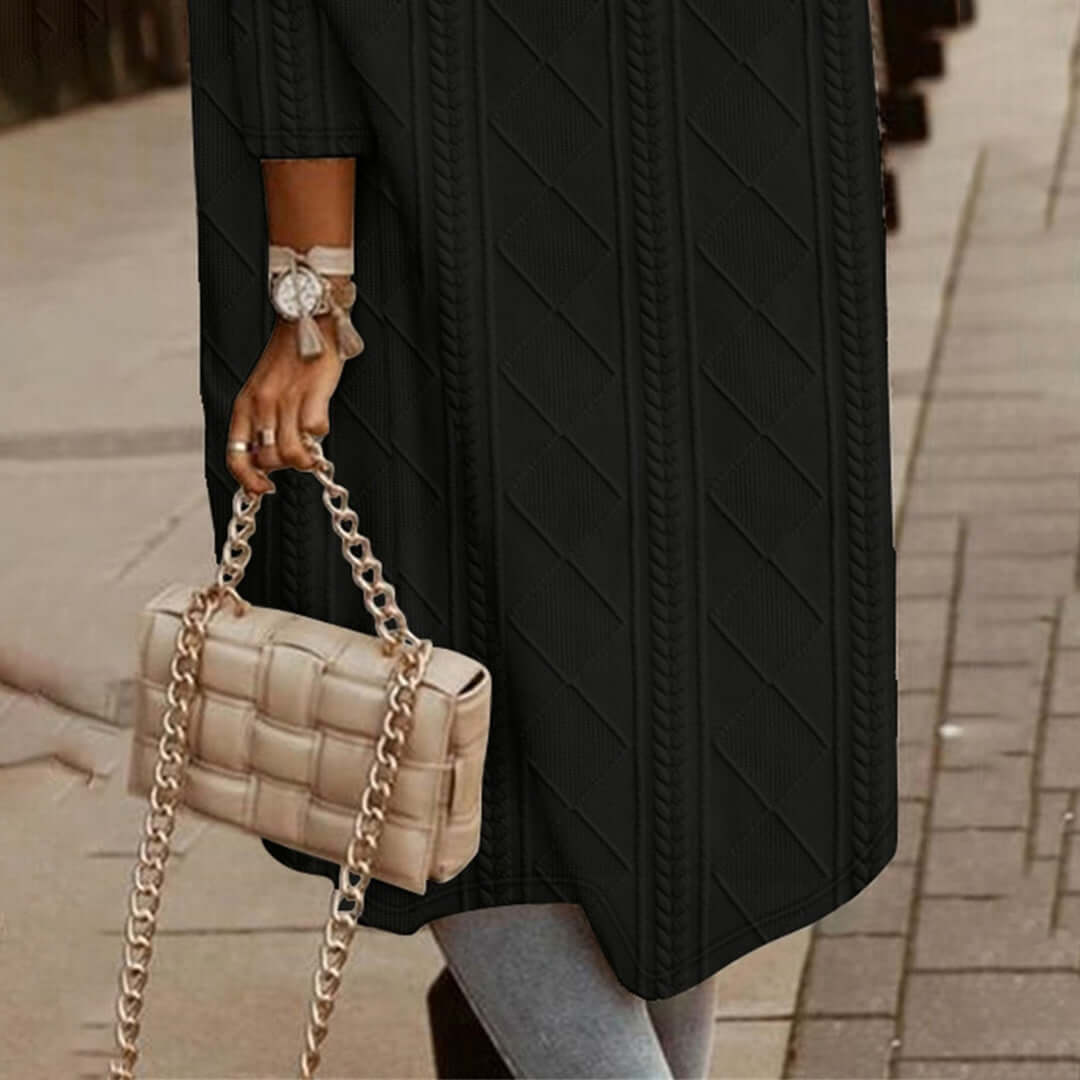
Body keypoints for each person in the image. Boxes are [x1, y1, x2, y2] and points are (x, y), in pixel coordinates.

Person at [187, 1, 897, 1076]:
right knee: (651, 708)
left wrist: (311, 294)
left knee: (462, 715)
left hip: (468, 193)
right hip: (726, 160)